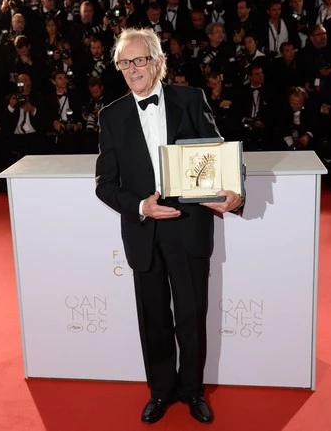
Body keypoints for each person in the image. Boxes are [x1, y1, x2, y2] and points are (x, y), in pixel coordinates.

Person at [95, 27, 244, 425]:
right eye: (125, 62)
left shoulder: (190, 99)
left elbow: (219, 156)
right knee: (153, 317)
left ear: (159, 62)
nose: (133, 69)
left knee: (192, 315)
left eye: (140, 59)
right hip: (145, 232)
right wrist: (141, 205)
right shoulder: (111, 116)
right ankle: (160, 391)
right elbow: (105, 186)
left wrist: (235, 189)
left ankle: (192, 390)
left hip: (190, 227)